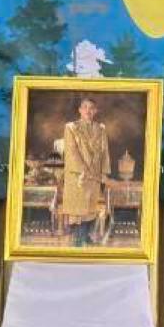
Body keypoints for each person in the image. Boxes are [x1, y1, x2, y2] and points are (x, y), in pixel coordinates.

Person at [60, 95, 111, 245]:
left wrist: (104, 172)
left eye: (91, 108)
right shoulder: (71, 127)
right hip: (78, 175)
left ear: (96, 111)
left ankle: (86, 235)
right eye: (85, 107)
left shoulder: (101, 129)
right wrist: (84, 170)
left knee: (90, 206)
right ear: (80, 110)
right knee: (78, 206)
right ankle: (78, 237)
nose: (88, 111)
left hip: (95, 173)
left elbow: (105, 151)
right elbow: (72, 151)